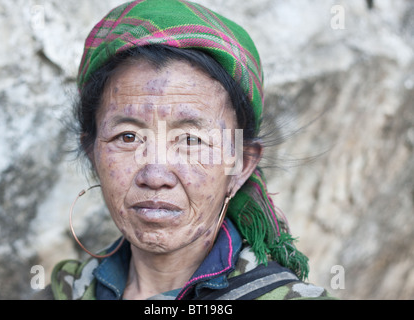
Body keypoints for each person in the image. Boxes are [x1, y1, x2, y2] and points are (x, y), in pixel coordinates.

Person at [43, 0, 333, 300]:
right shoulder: (68, 290)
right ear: (92, 153)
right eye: (127, 136)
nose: (155, 175)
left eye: (191, 140)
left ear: (240, 164)